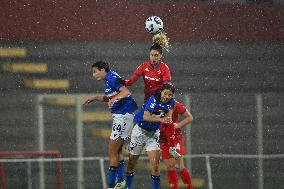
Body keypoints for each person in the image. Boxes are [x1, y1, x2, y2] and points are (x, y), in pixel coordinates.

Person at [83, 61, 138, 189]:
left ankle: (111, 185)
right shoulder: (109, 80)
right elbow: (112, 96)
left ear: (103, 70)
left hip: (123, 117)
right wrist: (96, 98)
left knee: (112, 151)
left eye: (95, 71)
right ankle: (120, 183)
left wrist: (114, 99)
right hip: (122, 117)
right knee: (117, 151)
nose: (93, 74)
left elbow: (125, 92)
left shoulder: (112, 77)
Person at [125, 83, 176, 189]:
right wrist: (162, 119)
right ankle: (128, 187)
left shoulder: (171, 103)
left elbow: (169, 117)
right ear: (161, 92)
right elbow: (145, 117)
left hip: (153, 135)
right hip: (139, 131)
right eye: (165, 93)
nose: (167, 97)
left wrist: (168, 119)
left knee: (155, 166)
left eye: (170, 95)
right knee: (131, 163)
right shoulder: (153, 99)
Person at [124, 32, 172, 101]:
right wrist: (120, 82)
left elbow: (167, 86)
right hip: (147, 100)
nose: (153, 58)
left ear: (160, 55)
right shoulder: (143, 66)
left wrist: (161, 96)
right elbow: (130, 82)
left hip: (161, 101)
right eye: (151, 55)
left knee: (182, 109)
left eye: (156, 55)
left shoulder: (164, 68)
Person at [160, 101, 194, 189]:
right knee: (170, 166)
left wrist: (178, 125)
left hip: (175, 137)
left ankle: (189, 187)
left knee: (179, 165)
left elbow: (190, 117)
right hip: (163, 139)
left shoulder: (175, 104)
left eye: (169, 94)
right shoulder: (154, 103)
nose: (166, 96)